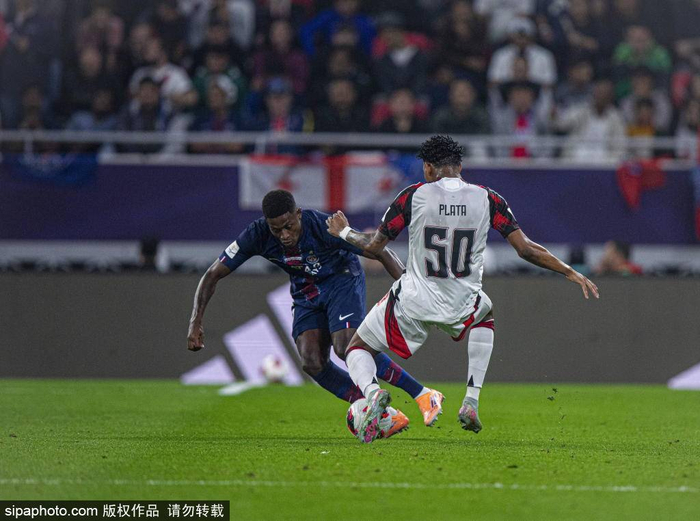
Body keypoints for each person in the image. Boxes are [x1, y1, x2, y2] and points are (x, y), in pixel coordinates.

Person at [326, 135, 599, 443]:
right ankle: (471, 400)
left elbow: (375, 246)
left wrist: (344, 232)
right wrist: (568, 270)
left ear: (428, 168)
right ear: (460, 166)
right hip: (462, 302)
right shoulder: (488, 198)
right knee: (485, 312)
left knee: (357, 348)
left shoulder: (413, 196)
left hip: (414, 301)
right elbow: (525, 249)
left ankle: (373, 393)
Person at [187, 190, 445, 433]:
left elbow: (379, 250)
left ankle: (422, 394)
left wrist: (410, 291)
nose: (284, 235)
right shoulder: (257, 234)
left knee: (346, 346)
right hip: (306, 293)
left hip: (342, 280)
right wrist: (195, 321)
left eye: (288, 226)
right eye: (276, 230)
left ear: (298, 214)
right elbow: (212, 275)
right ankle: (382, 412)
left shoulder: (323, 226)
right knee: (312, 362)